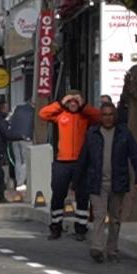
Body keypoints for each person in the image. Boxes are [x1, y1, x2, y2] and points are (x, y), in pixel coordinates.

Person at [81, 103, 137, 263]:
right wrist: (76, 181)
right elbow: (84, 159)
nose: (107, 118)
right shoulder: (92, 133)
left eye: (110, 114)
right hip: (97, 183)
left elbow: (136, 157)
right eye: (104, 115)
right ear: (100, 117)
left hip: (118, 183)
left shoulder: (124, 133)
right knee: (99, 215)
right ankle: (97, 247)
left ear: (114, 116)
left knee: (115, 218)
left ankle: (112, 249)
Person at [38, 91, 101, 240]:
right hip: (62, 161)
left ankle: (81, 229)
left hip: (81, 162)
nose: (73, 104)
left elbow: (98, 116)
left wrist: (84, 105)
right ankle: (55, 227)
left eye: (76, 101)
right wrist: (60, 103)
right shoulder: (61, 115)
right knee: (58, 195)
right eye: (70, 101)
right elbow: (43, 114)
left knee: (82, 196)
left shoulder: (85, 117)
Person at [8, 99, 35, 189]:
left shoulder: (17, 108)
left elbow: (8, 120)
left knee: (18, 160)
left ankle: (18, 181)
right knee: (26, 160)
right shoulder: (33, 111)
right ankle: (20, 182)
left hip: (14, 138)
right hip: (26, 138)